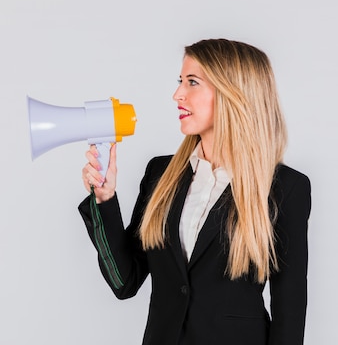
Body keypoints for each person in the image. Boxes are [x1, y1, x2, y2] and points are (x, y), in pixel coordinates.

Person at [78, 39, 311, 345]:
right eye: (180, 81)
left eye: (192, 82)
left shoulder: (285, 188)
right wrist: (104, 198)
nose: (177, 94)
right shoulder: (161, 174)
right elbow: (125, 281)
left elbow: (289, 313)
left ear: (233, 92)